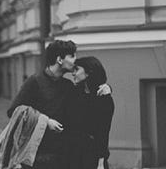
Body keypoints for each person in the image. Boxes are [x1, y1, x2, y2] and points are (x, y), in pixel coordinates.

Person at [7, 40, 78, 169]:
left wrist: (106, 88)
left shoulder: (68, 85)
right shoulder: (35, 82)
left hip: (64, 153)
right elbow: (13, 111)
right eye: (72, 56)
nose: (75, 60)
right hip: (38, 154)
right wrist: (45, 121)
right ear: (59, 59)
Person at [63, 56, 114, 169]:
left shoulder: (103, 99)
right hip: (71, 154)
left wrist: (101, 161)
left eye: (77, 70)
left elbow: (103, 132)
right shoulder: (73, 94)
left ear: (88, 73)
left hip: (91, 156)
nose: (73, 73)